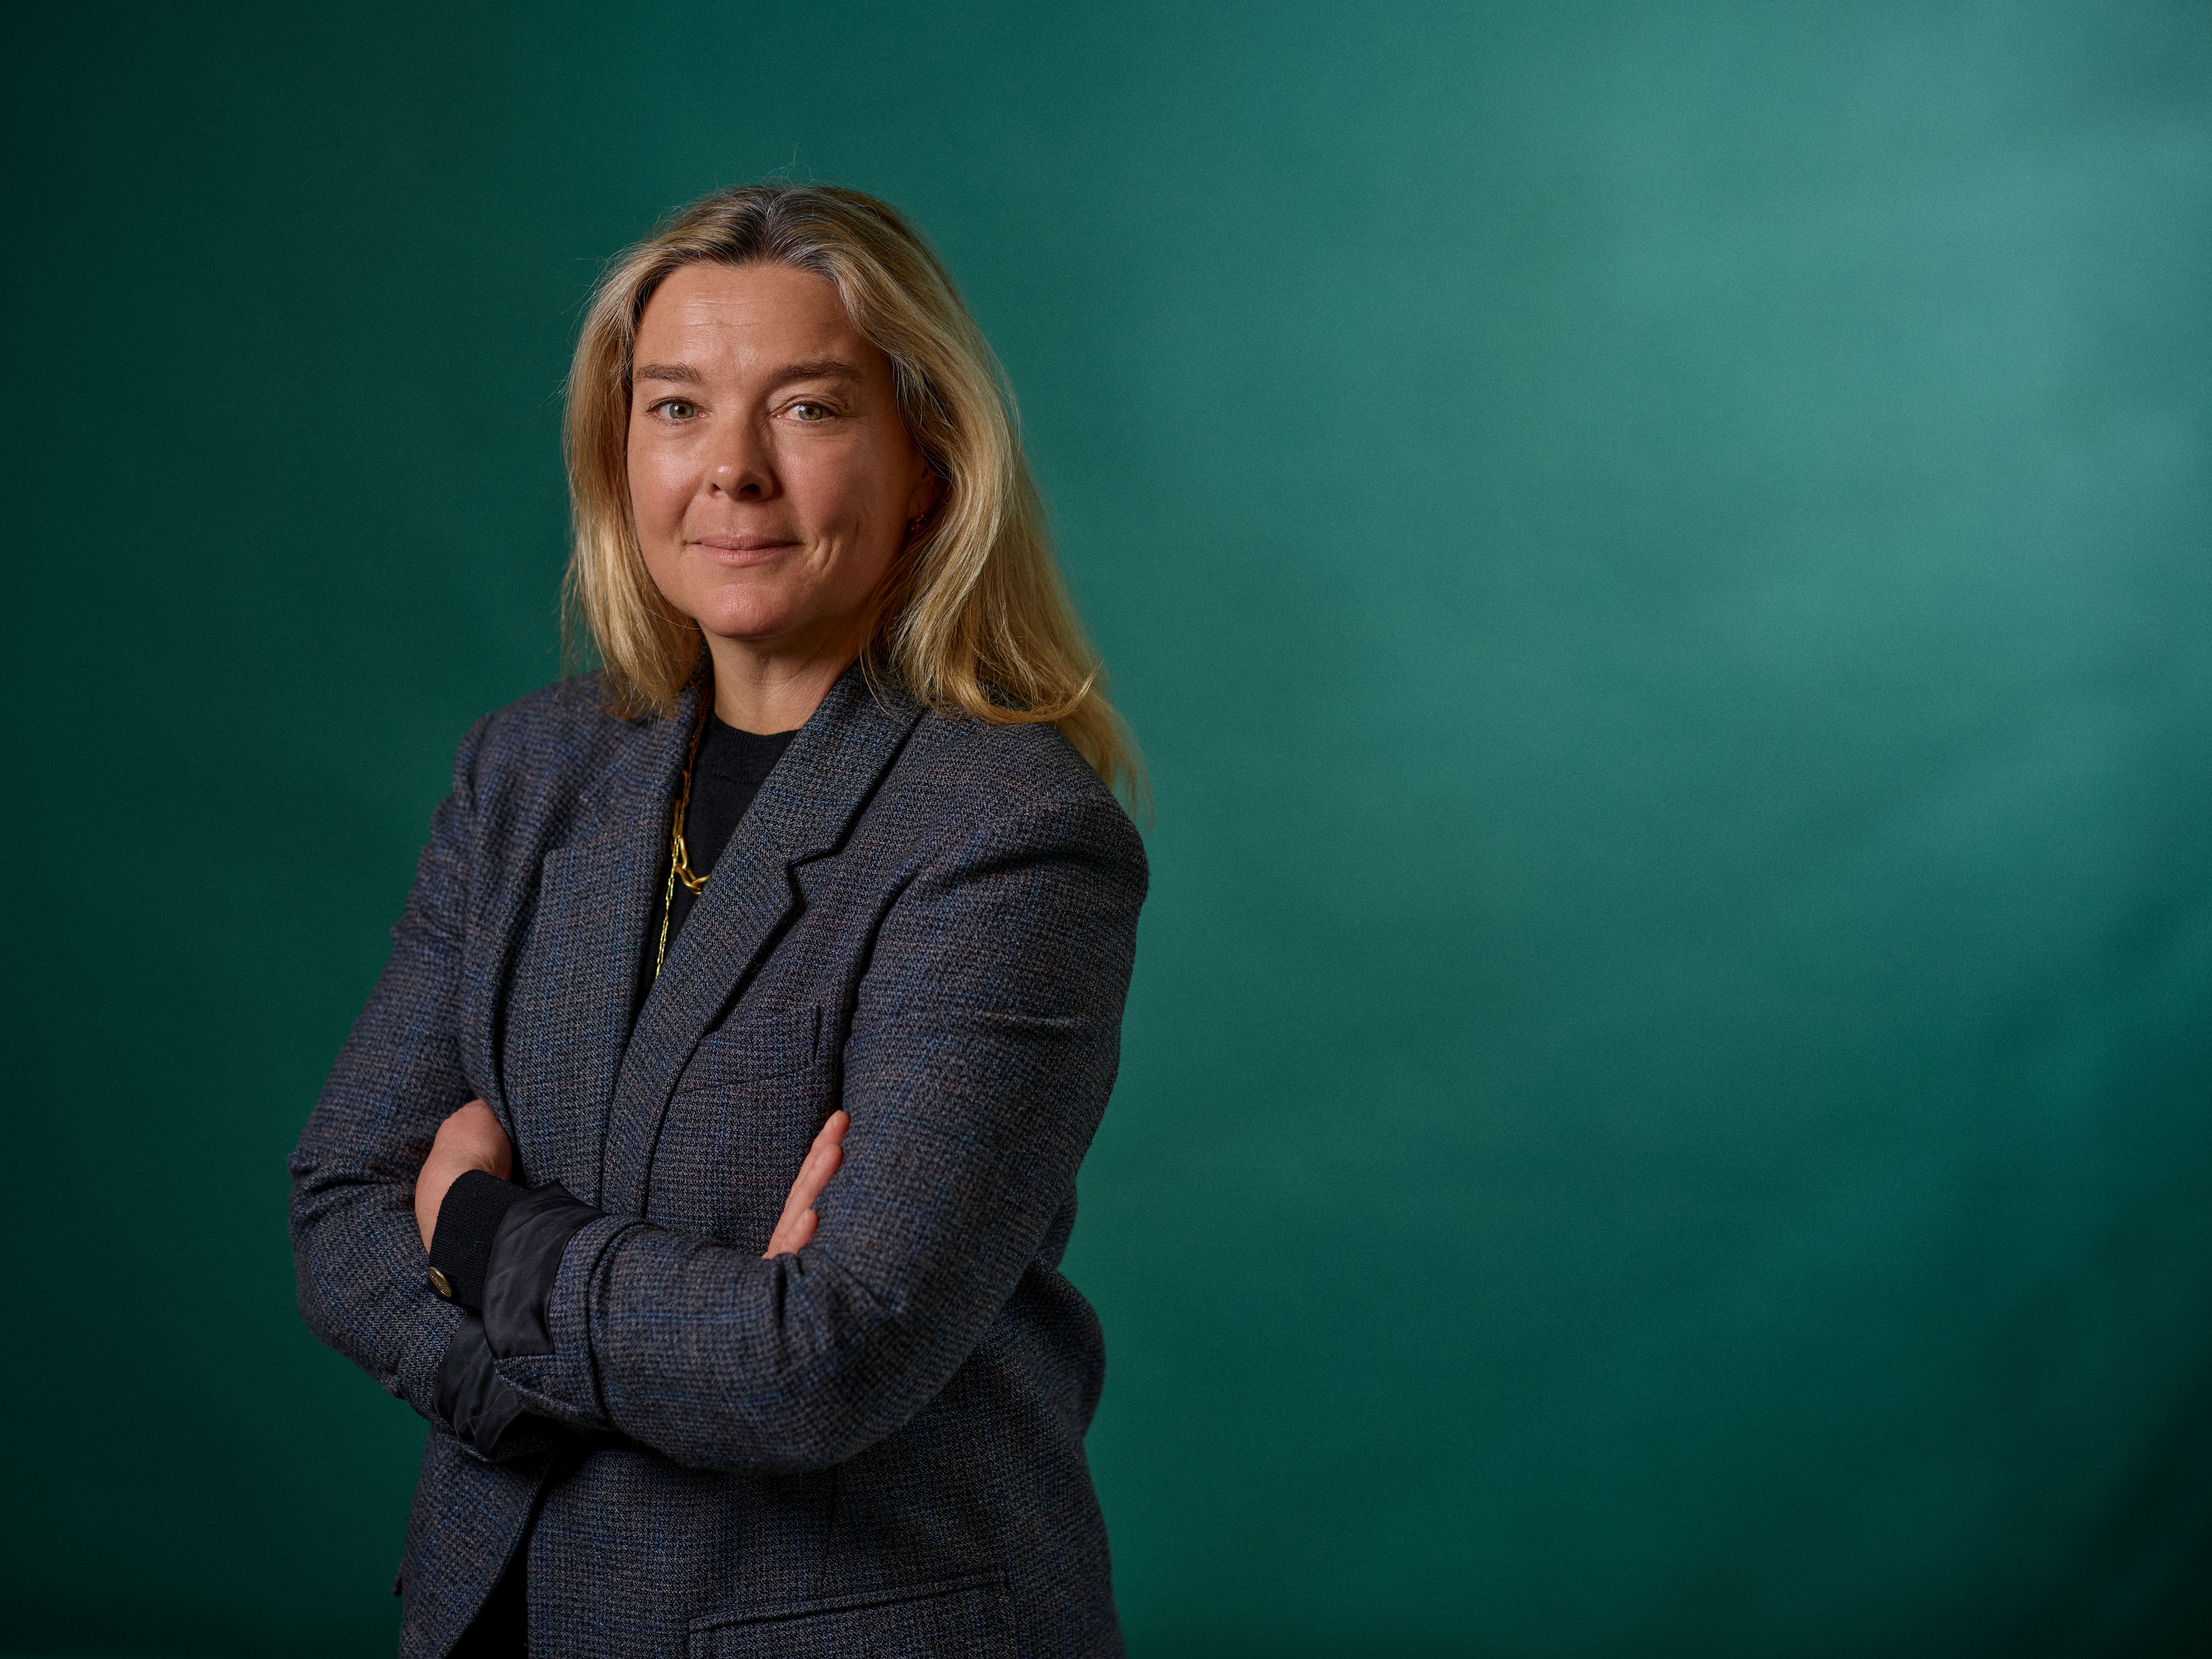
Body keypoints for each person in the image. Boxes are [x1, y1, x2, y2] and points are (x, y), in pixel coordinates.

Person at [289, 183, 1147, 1659]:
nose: (732, 473)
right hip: (496, 1616)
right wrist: (587, 1360)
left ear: (927, 464)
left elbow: (826, 1357)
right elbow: (340, 1208)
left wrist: (482, 1237)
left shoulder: (1011, 835)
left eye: (809, 411)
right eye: (677, 408)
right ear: (621, 456)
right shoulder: (524, 774)